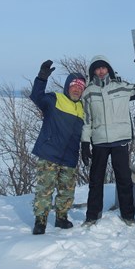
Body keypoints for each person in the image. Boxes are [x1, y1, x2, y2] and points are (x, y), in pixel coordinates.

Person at [80, 53, 135, 226]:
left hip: (120, 140)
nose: (101, 71)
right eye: (97, 68)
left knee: (124, 179)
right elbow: (87, 120)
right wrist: (85, 143)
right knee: (96, 181)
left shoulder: (121, 86)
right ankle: (92, 216)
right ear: (93, 71)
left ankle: (128, 216)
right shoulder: (88, 93)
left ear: (109, 69)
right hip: (99, 142)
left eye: (103, 67)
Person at [29, 60, 86, 235]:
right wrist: (42, 77)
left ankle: (61, 218)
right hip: (49, 154)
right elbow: (36, 96)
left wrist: (86, 148)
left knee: (67, 191)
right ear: (68, 86)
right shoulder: (55, 99)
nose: (77, 89)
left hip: (69, 157)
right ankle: (40, 221)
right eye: (74, 86)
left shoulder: (83, 108)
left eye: (80, 87)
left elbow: (85, 132)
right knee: (44, 190)